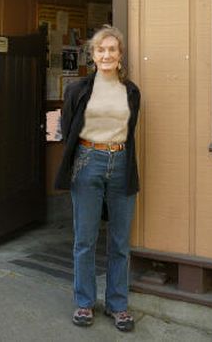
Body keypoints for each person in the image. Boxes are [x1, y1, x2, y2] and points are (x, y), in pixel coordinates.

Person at [55, 25, 141, 332]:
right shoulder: (77, 89)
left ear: (120, 56)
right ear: (93, 55)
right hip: (87, 162)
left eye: (112, 50)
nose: (106, 55)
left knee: (119, 241)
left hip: (121, 164)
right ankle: (85, 302)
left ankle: (118, 305)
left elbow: (130, 132)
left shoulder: (131, 91)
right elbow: (68, 128)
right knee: (85, 239)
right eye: (100, 50)